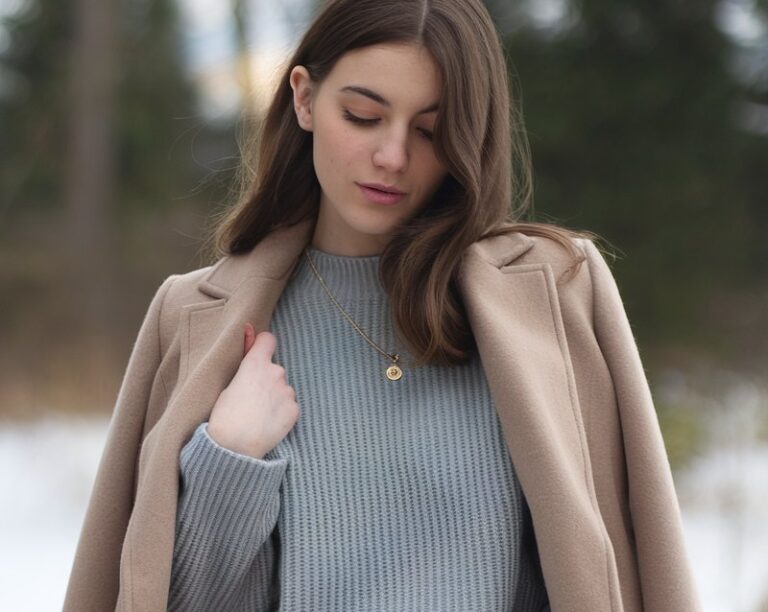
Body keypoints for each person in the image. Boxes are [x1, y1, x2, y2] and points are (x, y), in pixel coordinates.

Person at [63, 0, 702, 610]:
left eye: (429, 131)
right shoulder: (191, 318)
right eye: (363, 116)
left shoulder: (556, 294)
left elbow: (629, 566)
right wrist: (228, 457)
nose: (392, 157)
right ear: (304, 98)